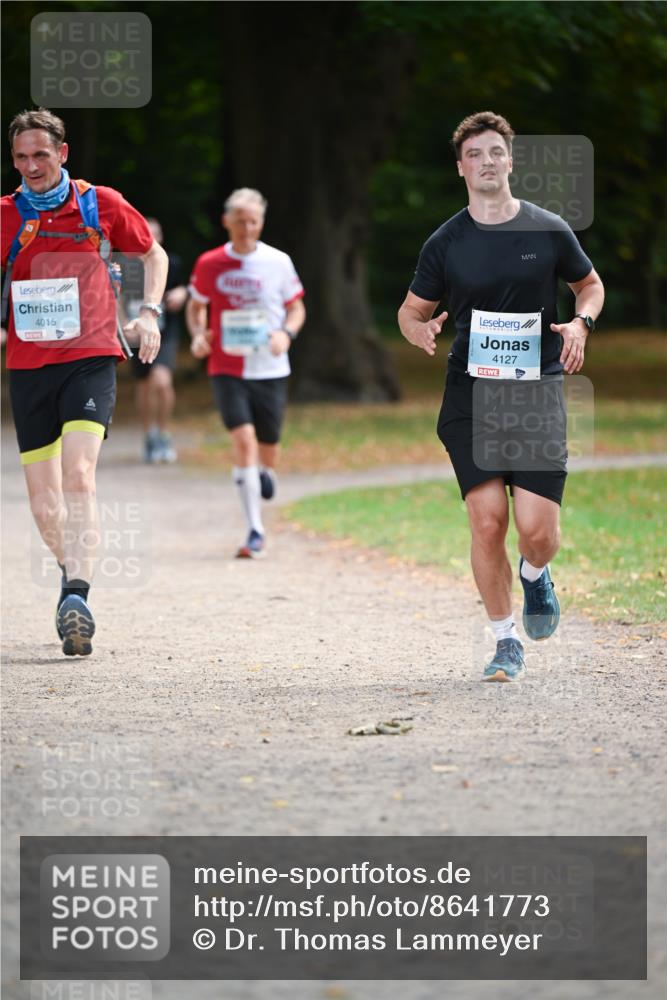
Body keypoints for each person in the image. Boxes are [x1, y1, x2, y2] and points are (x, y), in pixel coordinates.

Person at [398, 111, 604, 681]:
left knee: (538, 533)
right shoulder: (445, 242)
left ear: (510, 160)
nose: (486, 162)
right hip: (471, 396)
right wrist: (419, 330)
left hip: (536, 393)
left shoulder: (548, 228)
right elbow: (410, 310)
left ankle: (535, 574)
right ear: (460, 168)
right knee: (487, 521)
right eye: (474, 154)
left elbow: (589, 285)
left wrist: (581, 323)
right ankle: (505, 639)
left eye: (495, 152)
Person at [1, 108, 168, 656]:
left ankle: (77, 593)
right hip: (29, 366)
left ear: (62, 153)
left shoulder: (100, 204)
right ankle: (71, 574)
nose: (31, 166)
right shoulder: (6, 215)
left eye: (41, 155)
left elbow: (152, 254)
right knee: (43, 503)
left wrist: (148, 313)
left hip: (90, 355)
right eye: (21, 157)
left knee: (79, 476)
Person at [186, 187, 305, 558]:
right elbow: (196, 307)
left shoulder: (278, 262)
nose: (247, 228)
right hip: (226, 366)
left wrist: (286, 334)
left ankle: (265, 473)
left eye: (253, 221)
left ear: (261, 222)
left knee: (268, 445)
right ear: (227, 222)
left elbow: (297, 308)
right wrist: (198, 335)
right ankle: (255, 530)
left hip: (270, 367)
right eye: (240, 221)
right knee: (243, 440)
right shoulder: (209, 263)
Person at [125, 218, 187, 463]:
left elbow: (184, 288)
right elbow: (116, 296)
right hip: (135, 331)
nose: (151, 238)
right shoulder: (126, 265)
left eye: (156, 234)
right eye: (146, 233)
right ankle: (149, 435)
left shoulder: (171, 262)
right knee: (143, 385)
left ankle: (164, 432)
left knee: (161, 380)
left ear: (160, 238)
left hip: (165, 330)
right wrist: (123, 325)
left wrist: (182, 293)